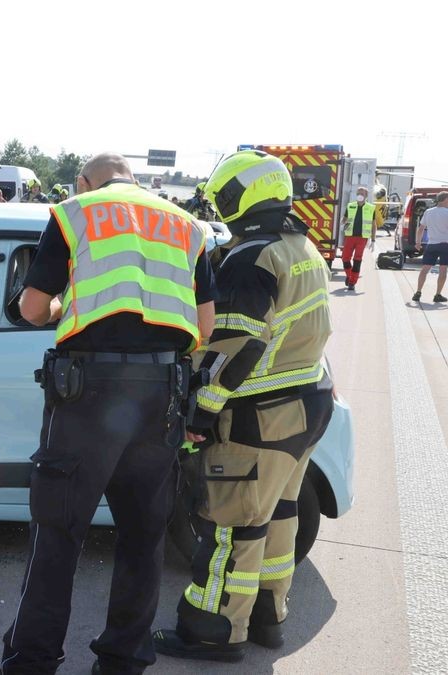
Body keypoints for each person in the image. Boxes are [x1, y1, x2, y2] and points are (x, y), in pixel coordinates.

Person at [0, 152, 216, 675]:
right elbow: (204, 325)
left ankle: (31, 664)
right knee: (142, 537)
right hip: (161, 394)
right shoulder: (187, 225)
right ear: (133, 178)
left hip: (89, 394)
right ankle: (124, 662)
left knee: (58, 533)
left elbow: (34, 308)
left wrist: (67, 308)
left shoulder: (75, 211)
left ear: (86, 180)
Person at [153, 149, 335, 662]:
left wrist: (199, 415)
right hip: (306, 404)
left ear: (246, 197)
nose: (223, 208)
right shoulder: (302, 247)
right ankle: (266, 620)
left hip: (259, 415)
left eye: (226, 198)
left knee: (229, 527)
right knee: (278, 518)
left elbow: (234, 346)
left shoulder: (249, 258)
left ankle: (210, 631)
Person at [339, 185, 382, 291]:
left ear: (366, 196)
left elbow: (373, 225)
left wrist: (373, 240)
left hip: (362, 238)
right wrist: (340, 225)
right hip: (349, 236)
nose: (359, 195)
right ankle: (349, 276)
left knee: (357, 260)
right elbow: (344, 219)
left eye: (362, 194)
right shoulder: (350, 206)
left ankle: (352, 282)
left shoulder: (371, 208)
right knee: (345, 258)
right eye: (358, 193)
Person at [412, 191, 448, 303]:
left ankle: (418, 292)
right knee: (443, 270)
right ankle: (437, 295)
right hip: (445, 245)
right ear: (445, 199)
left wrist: (418, 242)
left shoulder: (428, 212)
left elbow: (421, 228)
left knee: (424, 269)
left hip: (431, 244)